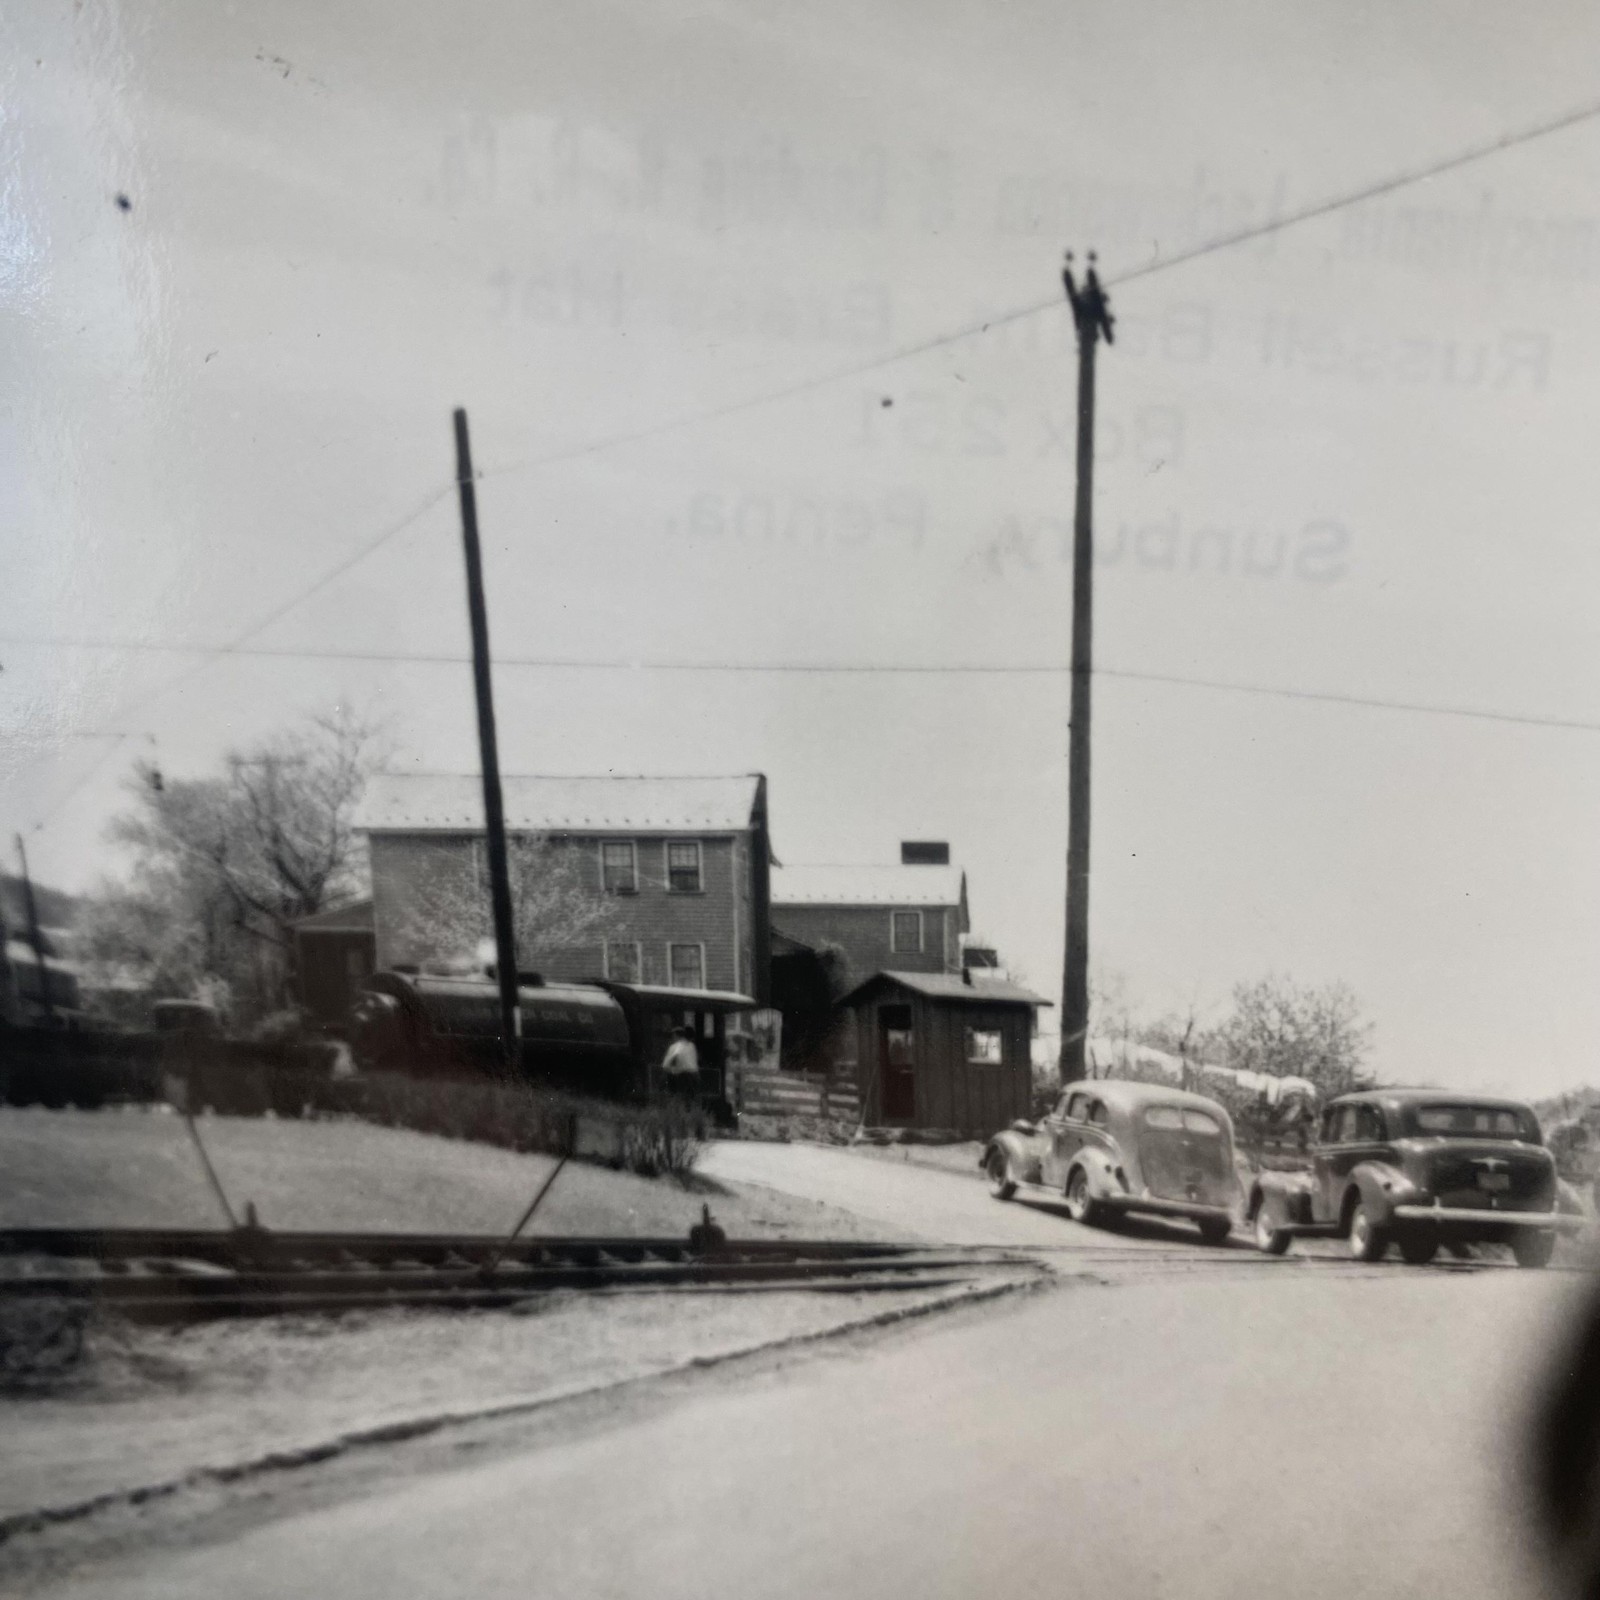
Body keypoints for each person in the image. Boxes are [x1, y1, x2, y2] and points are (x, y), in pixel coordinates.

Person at [661, 1025, 700, 1104]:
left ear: (676, 1036)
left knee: (680, 1099)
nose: (672, 1038)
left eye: (672, 1036)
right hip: (695, 1076)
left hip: (683, 1077)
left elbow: (665, 1065)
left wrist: (672, 1070)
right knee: (692, 1101)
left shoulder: (675, 1047)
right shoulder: (692, 1046)